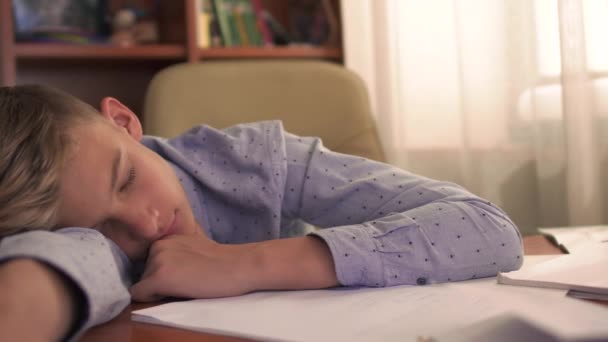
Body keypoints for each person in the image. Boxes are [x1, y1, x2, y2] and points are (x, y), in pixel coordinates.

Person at [0, 84, 523, 341]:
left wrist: (244, 264)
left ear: (123, 121)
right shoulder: (77, 234)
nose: (143, 224)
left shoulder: (257, 163)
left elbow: (488, 229)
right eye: (98, 227)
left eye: (129, 178)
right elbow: (41, 274)